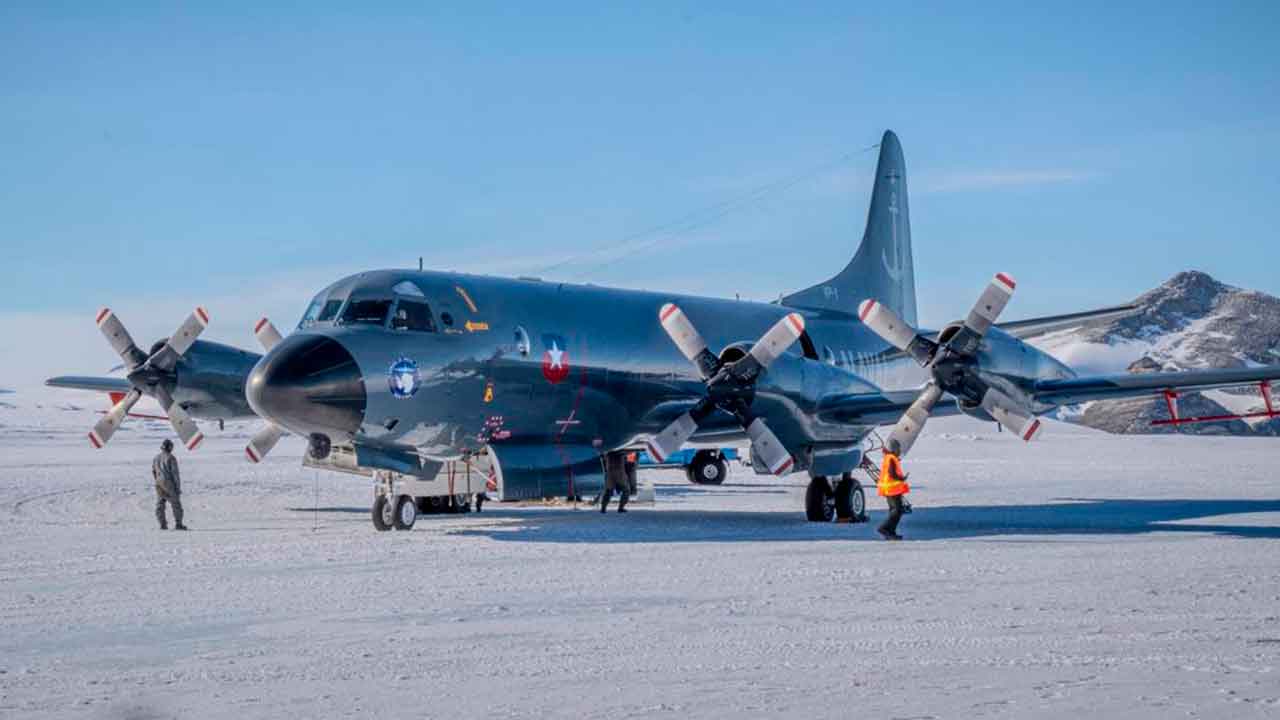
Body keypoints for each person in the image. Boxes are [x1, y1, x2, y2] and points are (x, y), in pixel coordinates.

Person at [876, 439, 910, 540]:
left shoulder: (888, 458)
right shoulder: (891, 458)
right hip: (892, 489)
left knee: (894, 510)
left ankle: (890, 532)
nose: (899, 450)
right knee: (898, 510)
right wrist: (901, 478)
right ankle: (884, 528)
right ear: (894, 449)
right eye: (898, 448)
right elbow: (892, 473)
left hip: (889, 488)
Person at [153, 439, 187, 530]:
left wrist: (157, 480)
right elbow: (175, 474)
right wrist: (177, 488)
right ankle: (178, 524)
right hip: (168, 483)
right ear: (170, 447)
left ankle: (162, 524)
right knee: (175, 503)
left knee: (160, 504)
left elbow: (154, 471)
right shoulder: (171, 458)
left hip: (158, 482)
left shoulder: (156, 458)